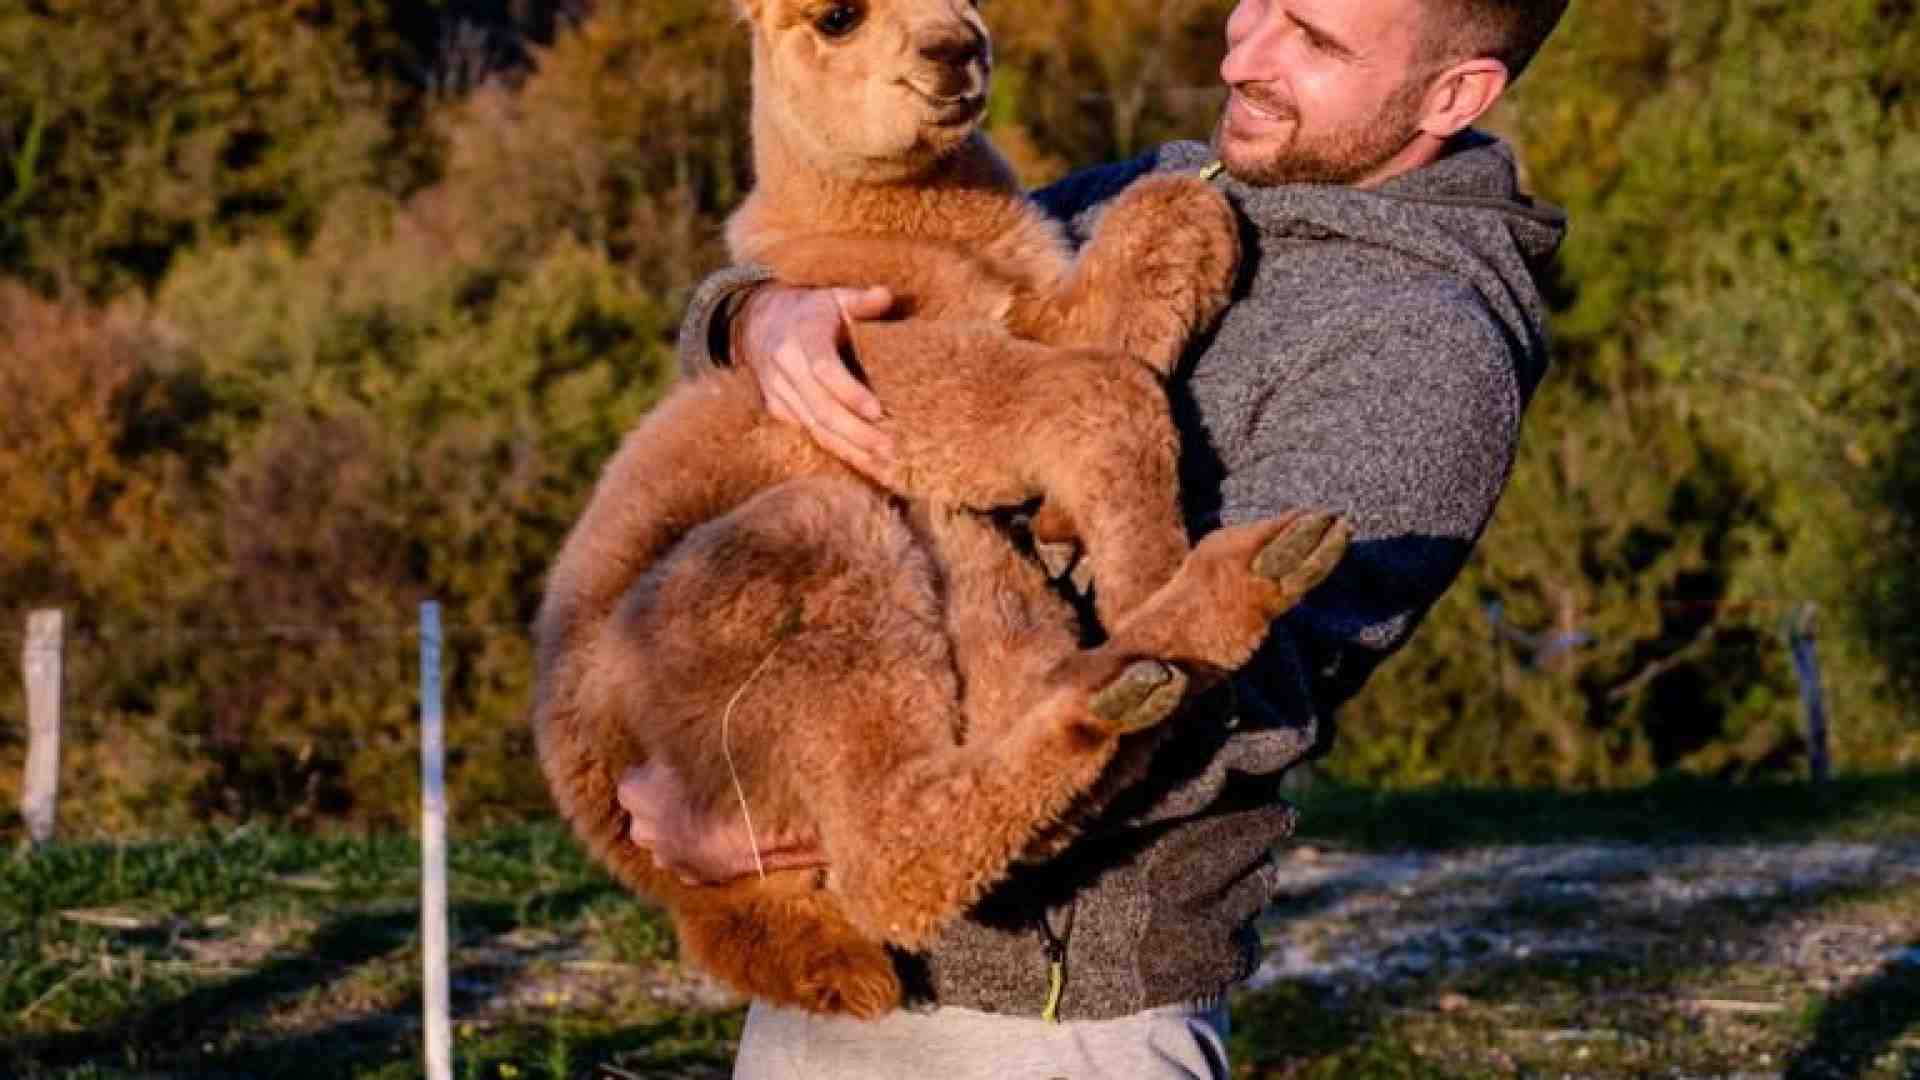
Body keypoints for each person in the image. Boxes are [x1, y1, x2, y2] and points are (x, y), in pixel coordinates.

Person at [625, 0, 1570, 1074]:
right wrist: (753, 319)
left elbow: (1236, 697)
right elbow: (872, 261)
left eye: (1314, 40)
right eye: (1259, 1)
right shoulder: (1163, 185)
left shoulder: (1425, 341)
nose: (1243, 55)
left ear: (1455, 95)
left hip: (1047, 1018)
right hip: (836, 979)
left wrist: (799, 817)